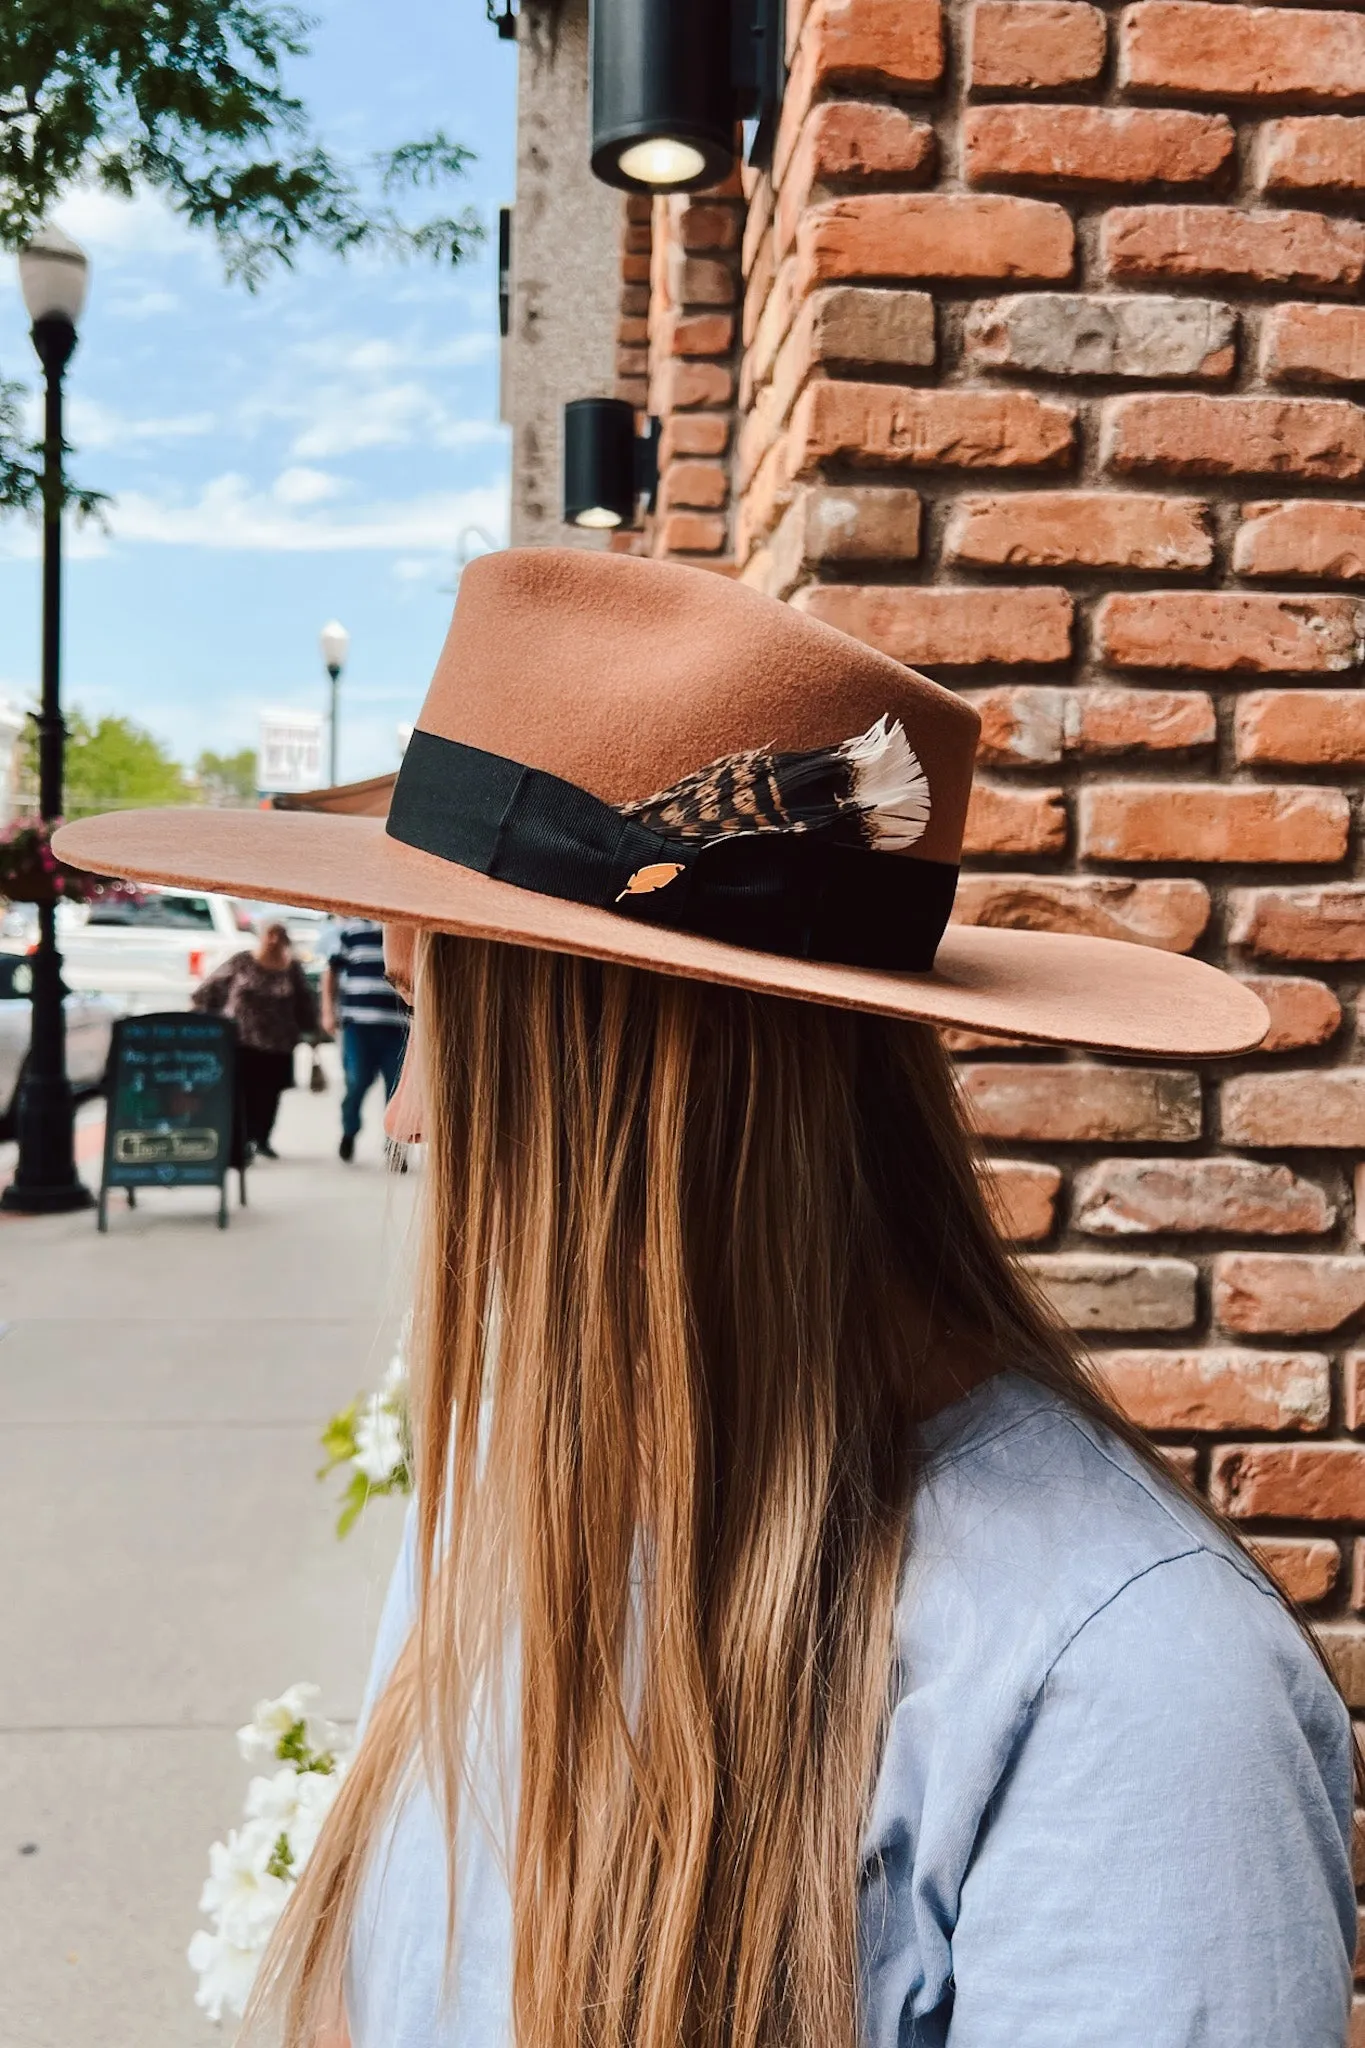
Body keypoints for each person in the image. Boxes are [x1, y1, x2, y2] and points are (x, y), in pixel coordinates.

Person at [55, 552, 1353, 2048]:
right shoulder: (514, 1458)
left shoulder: (1127, 1699)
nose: (403, 1118)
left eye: (432, 1023)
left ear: (621, 1106)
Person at [191, 919, 318, 1159]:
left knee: (269, 1094)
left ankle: (262, 1138)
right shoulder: (243, 961)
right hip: (243, 1041)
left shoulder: (291, 968)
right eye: (269, 934)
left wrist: (312, 1033)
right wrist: (206, 1018)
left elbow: (305, 1002)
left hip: (278, 1043)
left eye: (278, 935)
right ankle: (241, 1142)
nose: (273, 940)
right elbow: (209, 989)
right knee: (241, 1093)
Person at [321, 917, 409, 1163]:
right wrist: (328, 1011)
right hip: (358, 1025)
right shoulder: (351, 931)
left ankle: (395, 1147)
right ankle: (349, 1131)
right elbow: (331, 972)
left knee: (396, 1088)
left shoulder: (404, 928)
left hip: (397, 1026)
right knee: (356, 1081)